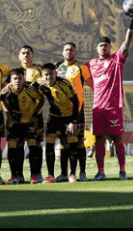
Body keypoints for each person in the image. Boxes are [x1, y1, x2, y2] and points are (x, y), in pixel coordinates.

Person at [85, 8, 133, 181]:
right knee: (99, 140)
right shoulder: (90, 64)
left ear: (110, 47)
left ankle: (122, 170)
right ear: (96, 48)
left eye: (106, 45)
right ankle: (101, 171)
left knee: (117, 139)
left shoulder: (116, 60)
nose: (103, 48)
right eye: (100, 46)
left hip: (114, 107)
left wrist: (131, 23)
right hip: (98, 109)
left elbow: (127, 42)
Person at [56, 42, 93, 182]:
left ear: (75, 52)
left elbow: (93, 84)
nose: (68, 52)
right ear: (62, 52)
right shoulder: (58, 68)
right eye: (66, 49)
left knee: (78, 142)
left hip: (77, 111)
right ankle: (64, 173)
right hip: (61, 111)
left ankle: (80, 173)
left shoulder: (81, 68)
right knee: (64, 142)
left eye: (71, 50)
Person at [0, 67, 45, 185]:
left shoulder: (31, 89)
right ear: (11, 79)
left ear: (23, 79)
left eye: (20, 78)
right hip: (15, 123)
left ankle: (34, 175)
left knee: (33, 146)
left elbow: (41, 99)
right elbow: (1, 100)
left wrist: (35, 113)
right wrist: (8, 115)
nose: (17, 81)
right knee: (14, 148)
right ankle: (16, 175)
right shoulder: (6, 90)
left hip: (29, 123)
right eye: (15, 78)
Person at [38, 63, 79, 183]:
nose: (49, 77)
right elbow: (27, 87)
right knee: (49, 145)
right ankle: (51, 175)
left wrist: (73, 121)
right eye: (46, 75)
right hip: (54, 118)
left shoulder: (64, 83)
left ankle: (71, 174)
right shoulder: (40, 83)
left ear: (56, 73)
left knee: (71, 145)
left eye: (51, 74)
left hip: (68, 118)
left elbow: (76, 102)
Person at [18, 45, 45, 183]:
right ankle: (19, 175)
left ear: (32, 55)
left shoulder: (38, 71)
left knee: (36, 145)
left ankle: (36, 174)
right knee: (19, 145)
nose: (25, 55)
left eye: (28, 53)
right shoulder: (15, 73)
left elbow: (43, 91)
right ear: (19, 56)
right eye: (23, 53)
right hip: (19, 117)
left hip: (35, 115)